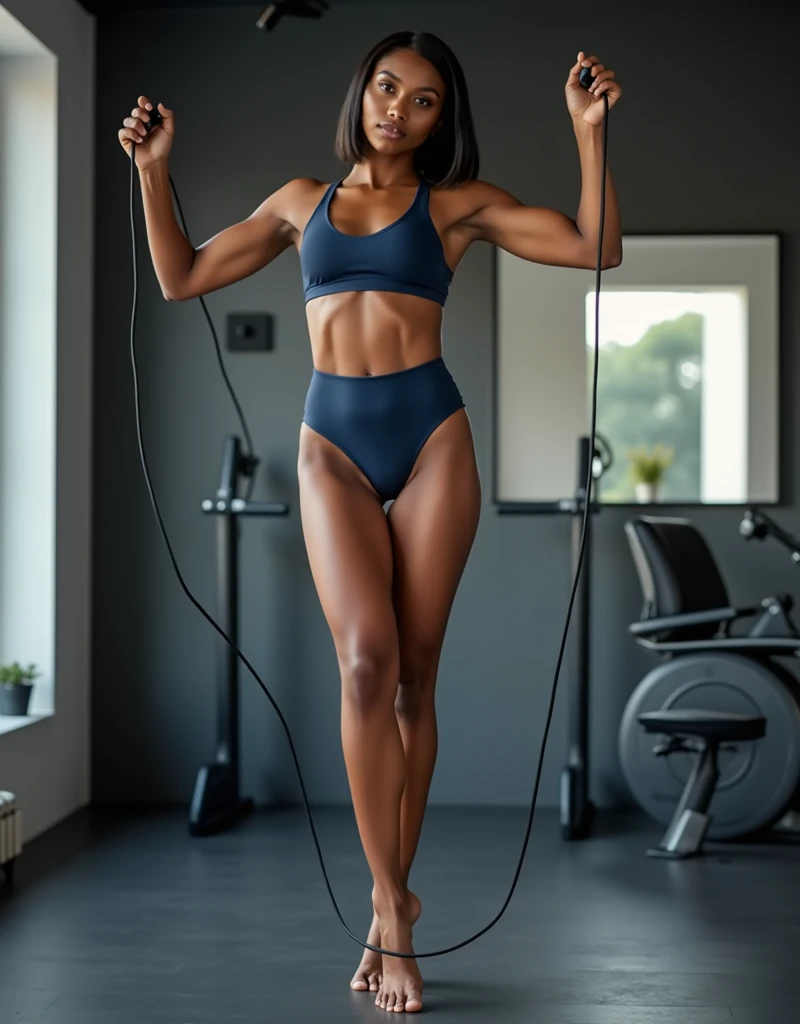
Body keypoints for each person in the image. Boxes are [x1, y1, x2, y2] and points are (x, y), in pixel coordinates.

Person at [118, 30, 622, 1014]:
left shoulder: (456, 207)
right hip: (332, 445)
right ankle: (391, 910)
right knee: (364, 663)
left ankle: (390, 897)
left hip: (431, 436)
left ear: (442, 121)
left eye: (423, 99)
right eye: (387, 85)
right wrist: (153, 172)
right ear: (362, 90)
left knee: (413, 677)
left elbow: (593, 246)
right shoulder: (299, 201)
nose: (398, 107)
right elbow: (180, 277)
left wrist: (586, 132)